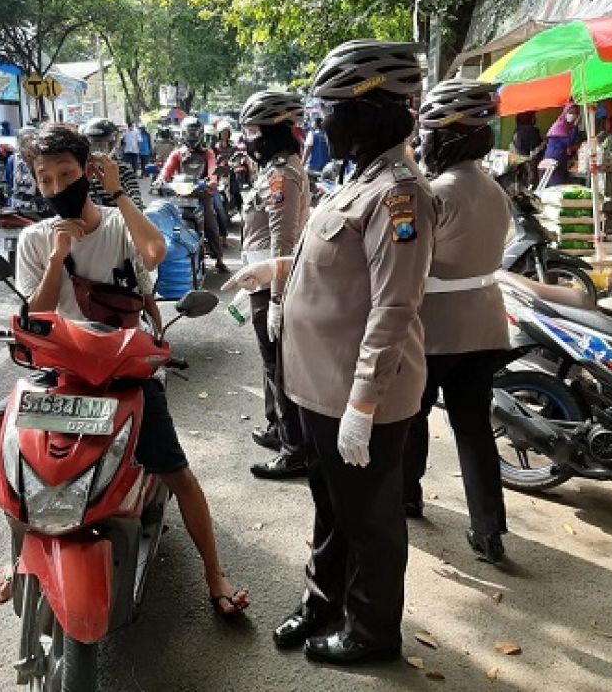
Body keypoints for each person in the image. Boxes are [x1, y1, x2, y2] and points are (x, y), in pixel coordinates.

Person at [0, 123, 249, 615]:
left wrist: (119, 194)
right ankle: (17, 551)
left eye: (67, 173)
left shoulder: (118, 223)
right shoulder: (37, 240)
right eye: (45, 179)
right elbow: (36, 318)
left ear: (88, 170)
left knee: (176, 470)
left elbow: (155, 253)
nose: (57, 186)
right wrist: (57, 258)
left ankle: (215, 572)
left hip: (124, 372)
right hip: (61, 373)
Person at [226, 40, 434, 665]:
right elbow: (340, 270)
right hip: (318, 387)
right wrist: (275, 267)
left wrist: (363, 406)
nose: (318, 125)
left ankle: (371, 631)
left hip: (356, 394)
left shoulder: (401, 193)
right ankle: (324, 600)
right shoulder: (359, 181)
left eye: (332, 110)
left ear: (371, 112)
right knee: (331, 505)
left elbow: (393, 309)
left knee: (370, 521)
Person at [402, 79, 512, 564]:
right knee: (474, 428)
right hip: (486, 328)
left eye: (426, 134)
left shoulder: (435, 193)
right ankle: (489, 531)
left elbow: (408, 263)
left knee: (411, 417)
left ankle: (407, 495)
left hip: (434, 331)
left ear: (445, 137)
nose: (421, 143)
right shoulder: (496, 190)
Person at [233, 91, 311, 480]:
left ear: (271, 134)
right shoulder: (276, 169)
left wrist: (278, 298)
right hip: (260, 279)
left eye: (253, 132)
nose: (248, 140)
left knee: (279, 367)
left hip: (272, 284)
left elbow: (283, 242)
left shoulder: (281, 174)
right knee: (270, 363)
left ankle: (294, 449)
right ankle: (277, 428)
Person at [157, 116, 229, 273]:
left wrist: (212, 181)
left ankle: (219, 258)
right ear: (183, 134)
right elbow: (166, 170)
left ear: (201, 134)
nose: (192, 137)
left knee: (211, 221)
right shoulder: (178, 154)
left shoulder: (207, 153)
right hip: (179, 196)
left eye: (195, 134)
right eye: (189, 134)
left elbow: (212, 169)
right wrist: (160, 180)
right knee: (165, 221)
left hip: (202, 194)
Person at [81, 118, 142, 207]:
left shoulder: (123, 169)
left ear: (113, 144)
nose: (99, 150)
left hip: (120, 218)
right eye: (94, 144)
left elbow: (137, 202)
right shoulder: (81, 170)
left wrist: (116, 191)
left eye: (103, 144)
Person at [543, 101, 582, 186]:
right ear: (565, 112)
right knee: (557, 188)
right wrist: (575, 126)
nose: (573, 115)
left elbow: (571, 143)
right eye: (570, 112)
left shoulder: (568, 127)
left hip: (561, 161)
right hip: (553, 161)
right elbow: (569, 141)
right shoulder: (560, 126)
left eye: (575, 113)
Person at [212, 120, 243, 211]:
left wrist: (235, 164)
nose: (224, 135)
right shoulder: (215, 147)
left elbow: (238, 157)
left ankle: (241, 211)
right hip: (218, 173)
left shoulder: (233, 147)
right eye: (223, 133)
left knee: (236, 191)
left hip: (230, 172)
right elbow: (211, 158)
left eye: (226, 132)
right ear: (219, 134)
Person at [6, 126, 39, 204]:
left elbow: (9, 183)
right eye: (24, 142)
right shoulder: (12, 160)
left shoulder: (12, 159)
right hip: (24, 203)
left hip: (21, 202)